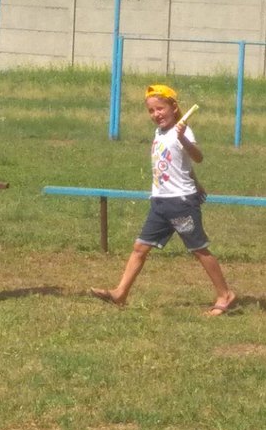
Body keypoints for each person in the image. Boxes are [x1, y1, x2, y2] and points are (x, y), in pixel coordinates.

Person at [91, 83, 236, 317]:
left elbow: (197, 157)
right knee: (140, 248)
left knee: (199, 249)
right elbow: (181, 165)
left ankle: (225, 294)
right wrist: (197, 182)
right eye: (151, 110)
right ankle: (120, 293)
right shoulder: (159, 133)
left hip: (180, 203)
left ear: (173, 107)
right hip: (160, 202)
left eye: (160, 108)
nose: (156, 114)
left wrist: (183, 139)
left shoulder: (184, 132)